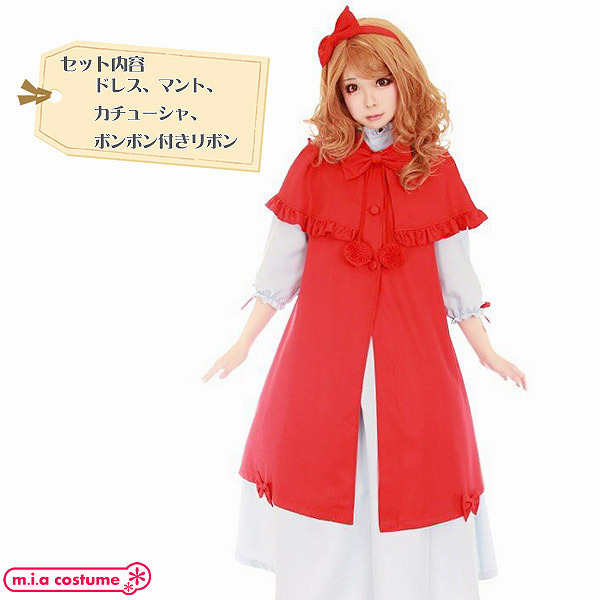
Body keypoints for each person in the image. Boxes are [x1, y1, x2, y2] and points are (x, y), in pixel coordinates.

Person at [203, 6, 526, 599]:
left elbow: (457, 278)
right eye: (352, 88)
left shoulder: (436, 171)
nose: (369, 100)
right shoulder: (314, 166)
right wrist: (243, 342)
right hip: (322, 358)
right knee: (323, 471)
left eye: (381, 81)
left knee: (417, 473)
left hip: (416, 360)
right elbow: (280, 268)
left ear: (405, 81)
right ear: (337, 97)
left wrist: (488, 352)